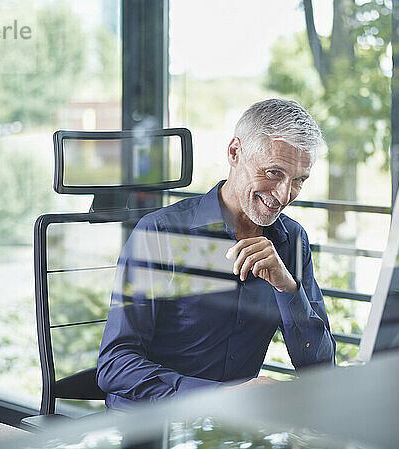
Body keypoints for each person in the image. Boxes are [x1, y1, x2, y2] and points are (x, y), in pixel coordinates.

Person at [96, 99, 335, 409]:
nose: (285, 195)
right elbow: (115, 366)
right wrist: (218, 396)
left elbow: (321, 369)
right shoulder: (161, 234)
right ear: (235, 152)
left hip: (230, 428)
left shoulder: (291, 241)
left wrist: (287, 288)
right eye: (275, 173)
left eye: (299, 180)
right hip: (151, 423)